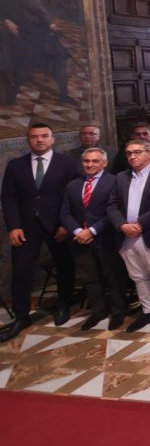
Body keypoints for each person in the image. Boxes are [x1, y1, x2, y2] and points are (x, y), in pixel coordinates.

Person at [0, 123, 80, 341]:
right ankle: (21, 315)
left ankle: (63, 305)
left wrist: (66, 224)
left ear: (52, 139)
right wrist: (14, 225)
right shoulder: (16, 165)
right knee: (21, 270)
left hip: (58, 225)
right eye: (34, 136)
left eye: (44, 136)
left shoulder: (67, 163)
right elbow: (8, 197)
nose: (39, 140)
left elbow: (73, 195)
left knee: (64, 266)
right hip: (25, 227)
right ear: (28, 140)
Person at [106, 139, 150, 332]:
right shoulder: (120, 177)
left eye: (137, 152)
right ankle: (147, 311)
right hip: (126, 234)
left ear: (149, 153)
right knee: (137, 276)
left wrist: (140, 223)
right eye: (129, 153)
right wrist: (122, 225)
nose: (132, 156)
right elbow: (111, 205)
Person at [59, 148, 127, 331]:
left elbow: (114, 211)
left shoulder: (114, 181)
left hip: (106, 238)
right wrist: (78, 231)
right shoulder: (73, 185)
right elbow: (65, 212)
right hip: (79, 239)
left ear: (104, 163)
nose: (89, 165)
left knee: (113, 276)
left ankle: (118, 312)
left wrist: (92, 230)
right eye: (86, 161)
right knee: (90, 277)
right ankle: (98, 312)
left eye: (95, 161)